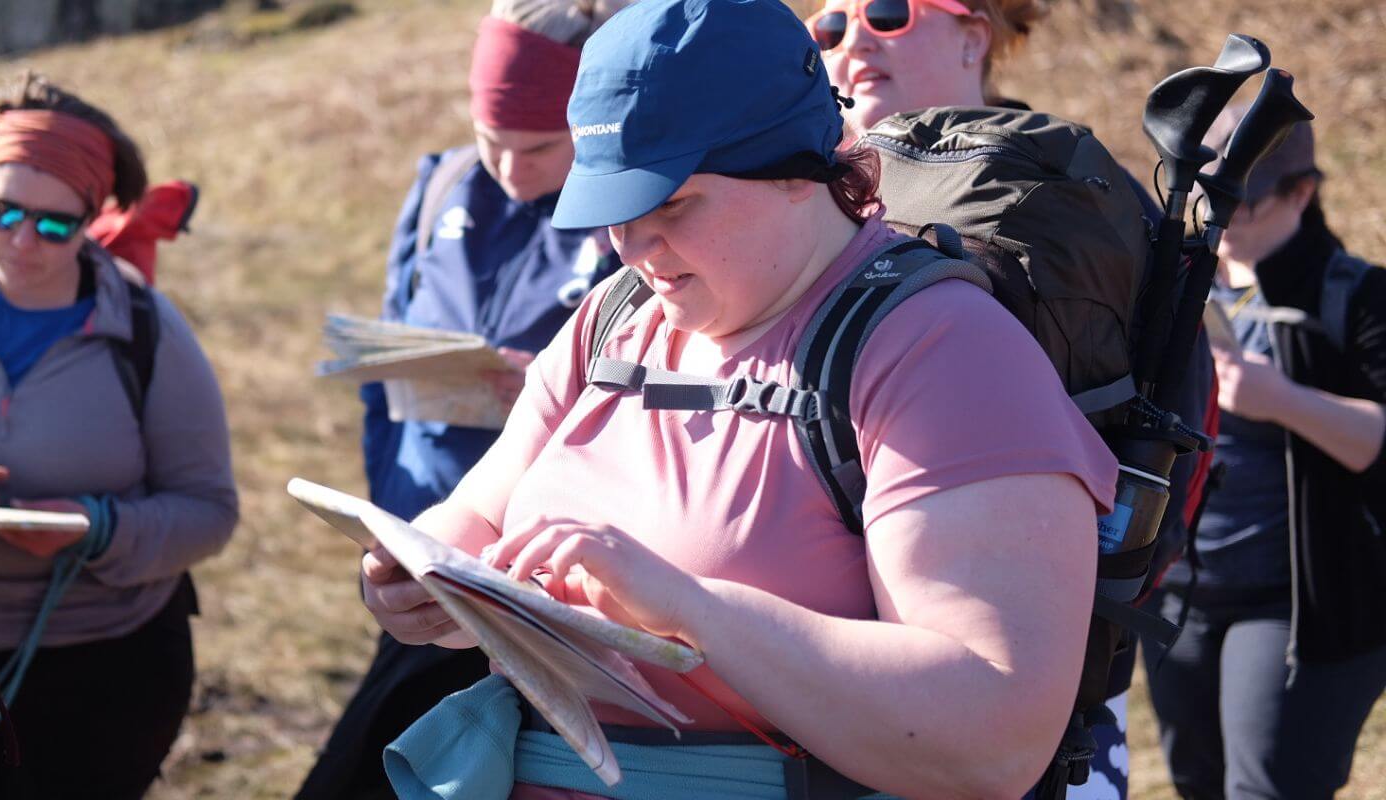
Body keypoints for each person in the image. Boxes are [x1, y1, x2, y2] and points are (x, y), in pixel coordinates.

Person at [363, 1, 1120, 797]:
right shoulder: (614, 318)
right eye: (614, 211)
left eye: (673, 203)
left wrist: (691, 610)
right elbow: (481, 510)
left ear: (796, 170)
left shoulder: (942, 350)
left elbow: (993, 736)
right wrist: (425, 570)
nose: (634, 246)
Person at [810, 1, 1218, 795]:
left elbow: (1185, 423)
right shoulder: (798, 190)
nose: (852, 39)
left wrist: (1102, 592)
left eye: (888, 13)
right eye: (827, 25)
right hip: (819, 670)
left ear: (976, 34)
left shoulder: (1071, 189)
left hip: (1040, 691)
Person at [298, 3, 628, 797]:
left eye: (540, 147)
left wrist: (545, 393)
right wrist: (389, 520)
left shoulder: (632, 214)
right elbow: (385, 384)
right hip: (425, 552)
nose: (510, 168)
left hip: (542, 584)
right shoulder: (445, 186)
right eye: (491, 141)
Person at [0, 73, 239, 799]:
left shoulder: (147, 328)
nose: (25, 240)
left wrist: (98, 529)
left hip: (106, 669)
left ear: (93, 216)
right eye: (3, 211)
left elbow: (209, 510)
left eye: (57, 224)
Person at [1144, 109, 1386, 800]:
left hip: (1299, 605)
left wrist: (1276, 396)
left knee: (1268, 789)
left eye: (1243, 200)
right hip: (1179, 592)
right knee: (1196, 782)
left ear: (1302, 193)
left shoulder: (1360, 296)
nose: (1222, 218)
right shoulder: (1179, 278)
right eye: (1207, 198)